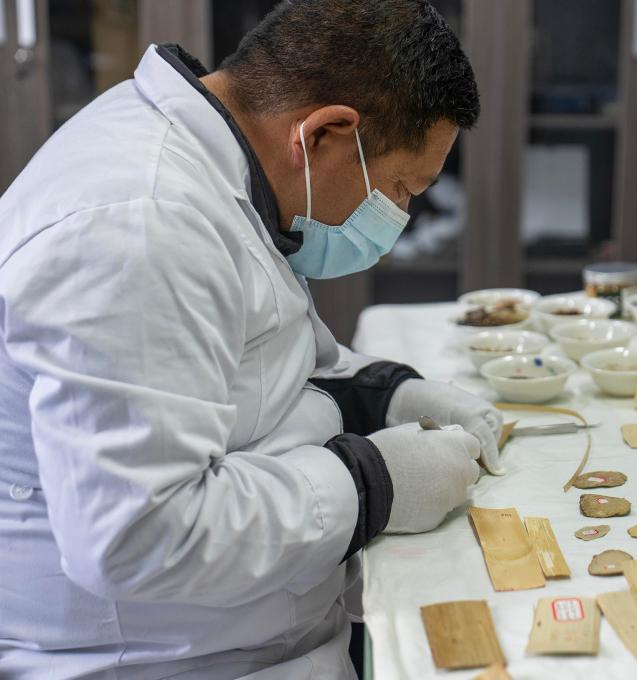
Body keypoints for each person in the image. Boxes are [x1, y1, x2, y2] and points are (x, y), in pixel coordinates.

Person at [0, 1, 499, 678]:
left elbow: (254, 363)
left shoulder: (218, 168)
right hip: (162, 663)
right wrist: (372, 485)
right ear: (323, 134)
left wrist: (384, 396)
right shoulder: (138, 228)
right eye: (402, 190)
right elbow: (139, 537)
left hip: (251, 633)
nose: (399, 218)